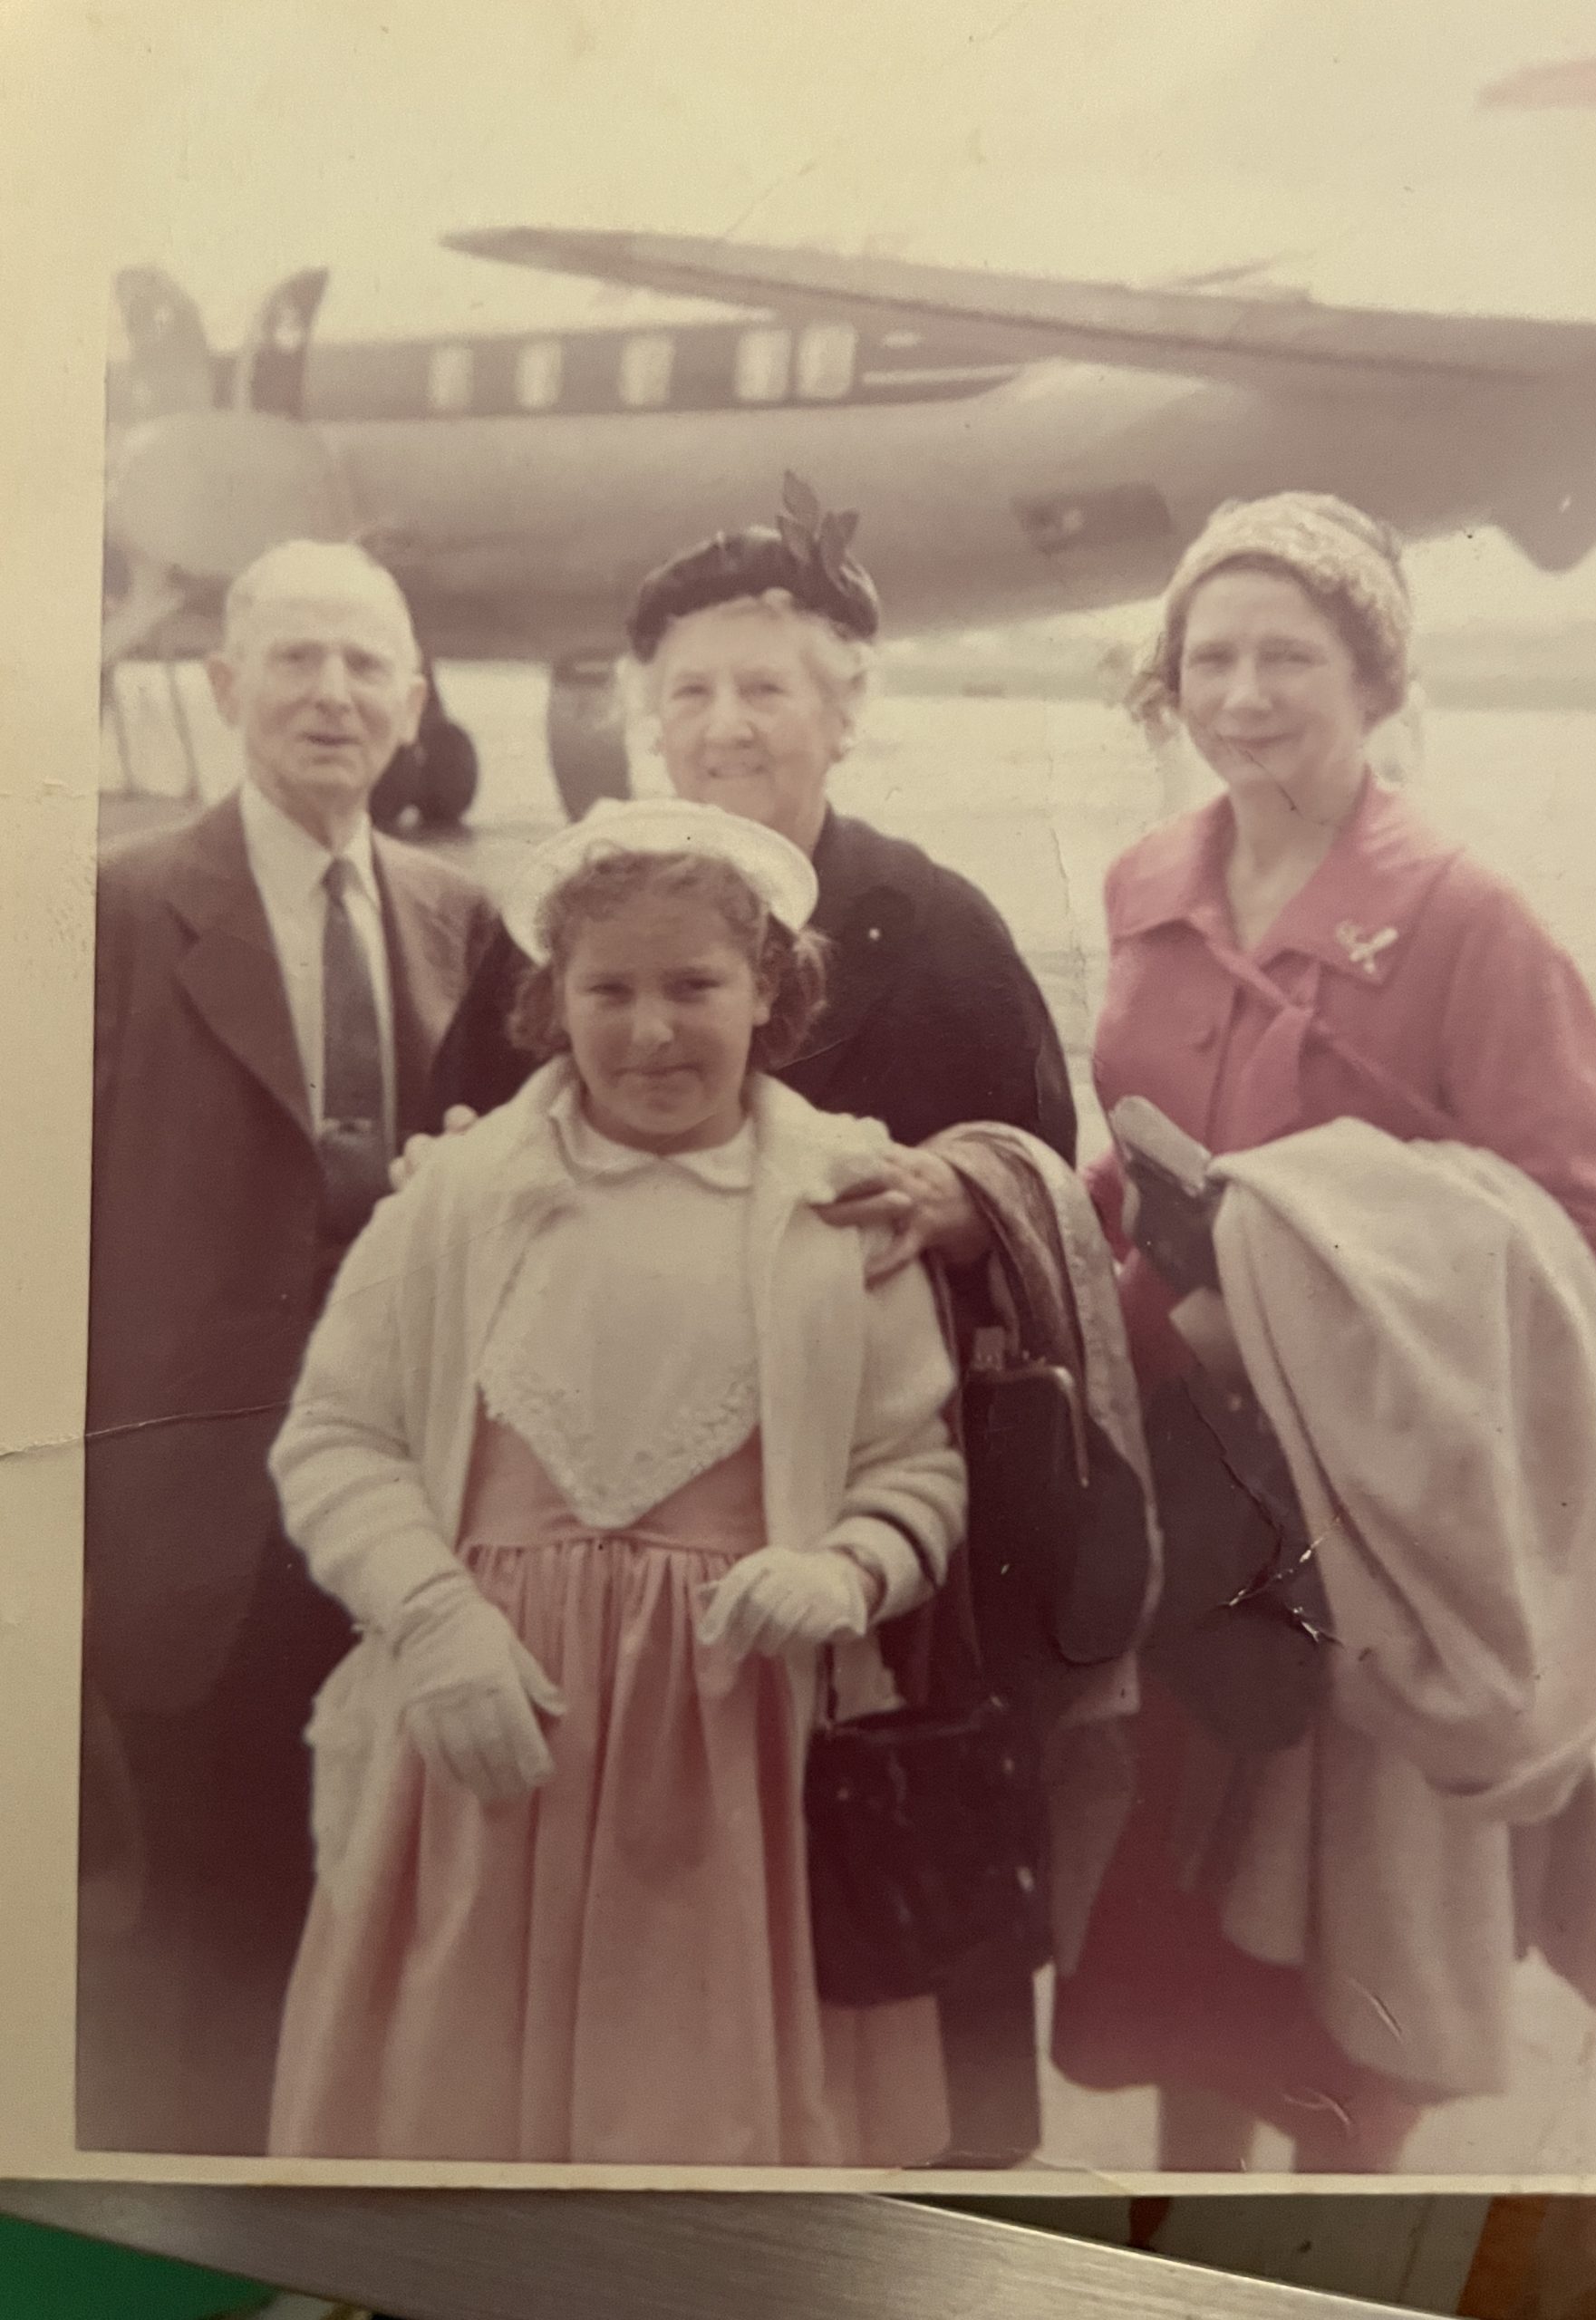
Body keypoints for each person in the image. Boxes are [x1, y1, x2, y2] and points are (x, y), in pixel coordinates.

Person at [415, 478, 1079, 2158]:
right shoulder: (575, 923)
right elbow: (450, 1166)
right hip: (603, 1565)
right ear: (649, 710)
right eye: (691, 690)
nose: (724, 726)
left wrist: (960, 1195)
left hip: (864, 1544)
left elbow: (1048, 1177)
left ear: (847, 706)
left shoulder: (933, 930)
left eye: (767, 688)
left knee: (875, 1978)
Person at [1043, 490, 1596, 2171]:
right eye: (1208, 657)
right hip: (1180, 1484)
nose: (1242, 694)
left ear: (1376, 680)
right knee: (1175, 1933)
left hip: (1361, 1506)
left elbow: (1576, 1223)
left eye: (1288, 656)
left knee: (1348, 1960)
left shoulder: (1467, 915)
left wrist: (1319, 1301)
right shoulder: (1149, 881)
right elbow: (1138, 1135)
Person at [265, 799, 966, 2164]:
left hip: (737, 1759)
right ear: (553, 1001)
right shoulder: (460, 1198)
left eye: (696, 985)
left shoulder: (841, 1205)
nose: (653, 1031)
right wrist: (435, 1620)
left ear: (767, 988)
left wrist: (846, 1567)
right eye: (611, 990)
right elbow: (334, 1438)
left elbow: (914, 1470)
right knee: (454, 2114)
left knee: (698, 2124)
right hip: (486, 1745)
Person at [80, 541, 499, 2155]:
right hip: (196, 1522)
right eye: (297, 659)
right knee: (204, 1930)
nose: (333, 693)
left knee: (390, 1903)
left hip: (407, 1515)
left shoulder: (464, 922)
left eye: (366, 664)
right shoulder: (114, 913)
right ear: (221, 686)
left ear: (413, 701)